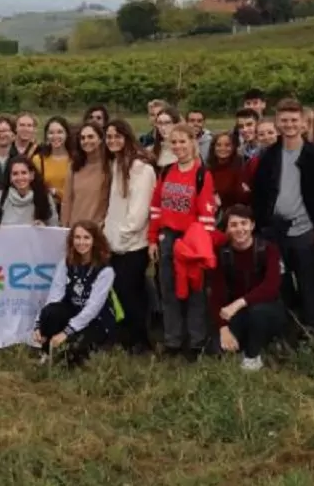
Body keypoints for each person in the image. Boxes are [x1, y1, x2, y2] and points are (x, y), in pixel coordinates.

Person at [249, 98, 314, 330]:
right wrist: (261, 225)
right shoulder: (269, 155)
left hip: (305, 228)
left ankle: (311, 324)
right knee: (280, 279)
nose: (289, 124)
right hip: (274, 229)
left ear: (304, 123)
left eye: (294, 120)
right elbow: (260, 193)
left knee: (308, 280)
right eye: (284, 120)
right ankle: (286, 321)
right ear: (277, 122)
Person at [148, 123, 218, 360]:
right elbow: (156, 207)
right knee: (168, 290)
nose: (178, 146)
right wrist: (152, 240)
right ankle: (173, 341)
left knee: (195, 292)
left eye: (183, 141)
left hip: (191, 242)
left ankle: (196, 342)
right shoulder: (166, 171)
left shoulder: (202, 174)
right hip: (168, 239)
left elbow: (207, 215)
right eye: (174, 142)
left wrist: (203, 248)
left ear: (193, 142)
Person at [104, 119, 157, 354]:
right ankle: (127, 338)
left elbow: (138, 212)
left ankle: (142, 342)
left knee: (132, 293)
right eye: (109, 137)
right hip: (114, 243)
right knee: (120, 293)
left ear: (127, 137)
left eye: (117, 136)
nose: (113, 140)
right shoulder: (116, 164)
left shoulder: (141, 169)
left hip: (133, 244)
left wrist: (122, 238)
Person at [32, 221, 117, 366]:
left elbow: (92, 309)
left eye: (86, 238)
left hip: (96, 320)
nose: (81, 242)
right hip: (72, 311)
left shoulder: (105, 270)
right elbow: (54, 297)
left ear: (94, 240)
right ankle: (46, 352)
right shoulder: (66, 262)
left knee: (72, 353)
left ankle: (88, 349)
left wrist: (66, 332)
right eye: (77, 237)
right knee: (50, 312)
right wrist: (39, 325)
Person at [212, 205, 286, 372]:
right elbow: (217, 294)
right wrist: (223, 327)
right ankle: (247, 345)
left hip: (268, 310)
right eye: (234, 225)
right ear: (227, 229)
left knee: (257, 312)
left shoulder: (268, 249)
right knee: (217, 348)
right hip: (238, 313)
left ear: (252, 225)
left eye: (244, 223)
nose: (240, 229)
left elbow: (271, 286)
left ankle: (253, 357)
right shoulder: (222, 253)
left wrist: (239, 303)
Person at [0, 158, 60, 226]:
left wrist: (43, 228)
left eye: (24, 173)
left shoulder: (45, 198)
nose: (20, 177)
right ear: (10, 177)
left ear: (32, 175)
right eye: (15, 174)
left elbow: (54, 227)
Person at [61, 122, 111, 228]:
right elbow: (67, 200)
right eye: (82, 138)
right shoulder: (74, 166)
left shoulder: (109, 167)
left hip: (98, 229)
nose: (86, 141)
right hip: (75, 228)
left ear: (101, 139)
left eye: (90, 137)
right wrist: (65, 226)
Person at [32, 116, 72, 209]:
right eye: (51, 133)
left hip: (72, 209)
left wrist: (55, 192)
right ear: (46, 135)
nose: (55, 136)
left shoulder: (75, 159)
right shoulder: (38, 160)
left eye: (60, 132)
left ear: (67, 134)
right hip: (47, 209)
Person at [206, 131, 250, 216]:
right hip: (213, 216)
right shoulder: (208, 169)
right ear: (213, 147)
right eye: (218, 145)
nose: (223, 148)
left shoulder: (240, 166)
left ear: (233, 147)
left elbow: (243, 196)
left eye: (227, 145)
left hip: (235, 216)